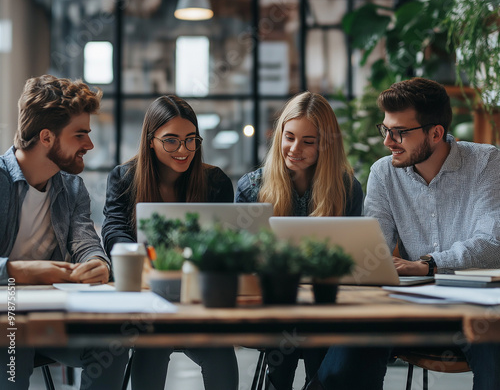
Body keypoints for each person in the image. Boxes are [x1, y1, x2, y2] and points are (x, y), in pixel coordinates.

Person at [305, 77, 500, 390]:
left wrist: (427, 264)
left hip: (477, 308)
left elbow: (493, 243)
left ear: (436, 133)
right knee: (341, 368)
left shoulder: (486, 161)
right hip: (409, 307)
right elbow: (374, 249)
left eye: (399, 132)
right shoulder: (383, 173)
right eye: (385, 129)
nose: (388, 141)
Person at [0, 74, 129, 390]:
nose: (90, 144)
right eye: (80, 134)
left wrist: (97, 262)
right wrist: (21, 271)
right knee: (13, 356)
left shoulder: (72, 188)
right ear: (47, 137)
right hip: (7, 320)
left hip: (51, 318)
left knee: (113, 344)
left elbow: (85, 239)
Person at [101, 94, 238, 390]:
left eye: (191, 140)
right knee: (152, 346)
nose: (183, 150)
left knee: (220, 355)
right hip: (148, 302)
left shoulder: (215, 182)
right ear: (151, 139)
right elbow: (113, 231)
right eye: (171, 140)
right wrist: (143, 259)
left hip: (199, 302)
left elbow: (225, 240)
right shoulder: (125, 178)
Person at [236, 91, 363, 390]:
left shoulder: (346, 187)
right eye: (289, 137)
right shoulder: (253, 186)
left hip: (325, 301)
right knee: (291, 325)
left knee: (315, 325)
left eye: (309, 141)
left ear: (326, 145)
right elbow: (245, 257)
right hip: (273, 300)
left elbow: (349, 259)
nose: (295, 148)